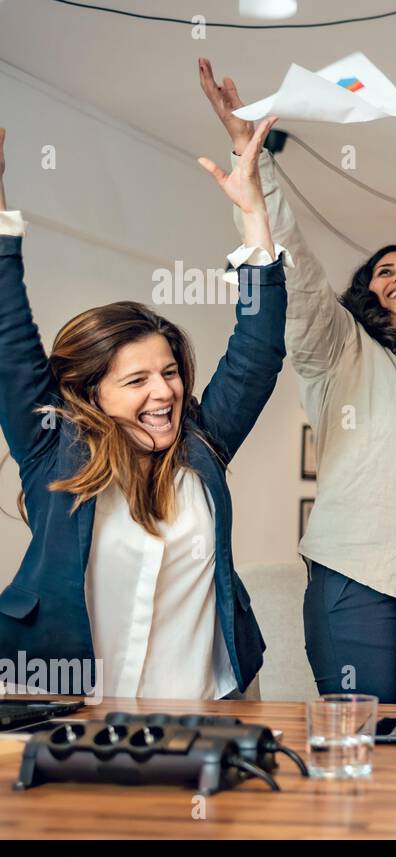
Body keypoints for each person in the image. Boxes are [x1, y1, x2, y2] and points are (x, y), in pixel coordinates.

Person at [199, 59, 396, 703]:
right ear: (366, 291)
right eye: (385, 269)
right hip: (358, 588)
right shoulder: (342, 350)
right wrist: (253, 160)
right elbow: (299, 273)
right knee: (374, 756)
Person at [0, 120, 287, 699]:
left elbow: (257, 350)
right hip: (68, 712)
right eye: (137, 380)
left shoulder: (201, 441)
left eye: (171, 373)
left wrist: (255, 215)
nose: (164, 393)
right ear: (91, 394)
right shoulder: (51, 446)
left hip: (206, 707)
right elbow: (8, 339)